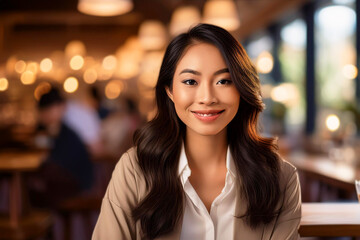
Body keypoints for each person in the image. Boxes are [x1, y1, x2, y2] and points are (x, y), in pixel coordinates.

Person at [92, 24, 301, 240]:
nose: (207, 97)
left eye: (224, 81)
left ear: (241, 88)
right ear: (170, 91)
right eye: (190, 81)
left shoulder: (280, 179)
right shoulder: (134, 170)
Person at [29, 87, 94, 207]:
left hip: (76, 182)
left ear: (62, 108)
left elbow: (64, 164)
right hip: (58, 182)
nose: (46, 114)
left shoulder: (69, 135)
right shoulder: (41, 131)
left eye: (49, 109)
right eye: (44, 110)